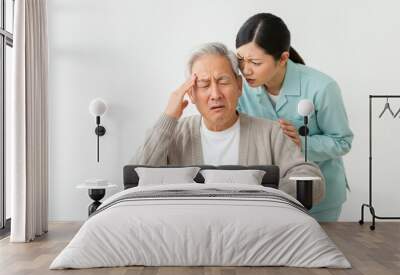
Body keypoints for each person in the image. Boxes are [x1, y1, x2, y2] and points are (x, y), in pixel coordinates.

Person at [131, 42, 325, 204]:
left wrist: (259, 189)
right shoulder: (174, 135)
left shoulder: (271, 132)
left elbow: (314, 185)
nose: (215, 94)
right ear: (191, 93)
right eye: (204, 85)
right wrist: (168, 118)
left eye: (223, 81)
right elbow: (134, 180)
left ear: (239, 86)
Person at [235, 13, 353, 221]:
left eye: (255, 62)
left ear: (282, 59)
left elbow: (342, 141)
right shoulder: (240, 89)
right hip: (267, 197)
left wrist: (301, 142)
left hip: (318, 199)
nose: (246, 70)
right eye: (241, 60)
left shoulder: (322, 87)